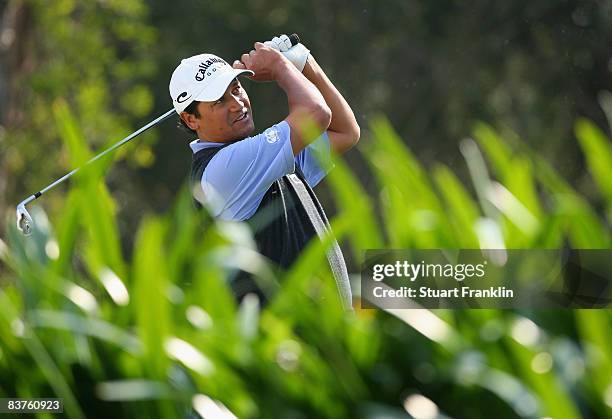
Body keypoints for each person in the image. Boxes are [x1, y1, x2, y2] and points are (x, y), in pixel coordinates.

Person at [169, 35, 359, 308]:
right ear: (190, 119)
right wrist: (281, 67)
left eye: (236, 88)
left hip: (325, 338)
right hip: (289, 344)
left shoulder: (264, 159)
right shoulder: (222, 170)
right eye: (219, 101)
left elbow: (344, 132)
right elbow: (316, 114)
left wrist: (304, 62)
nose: (237, 103)